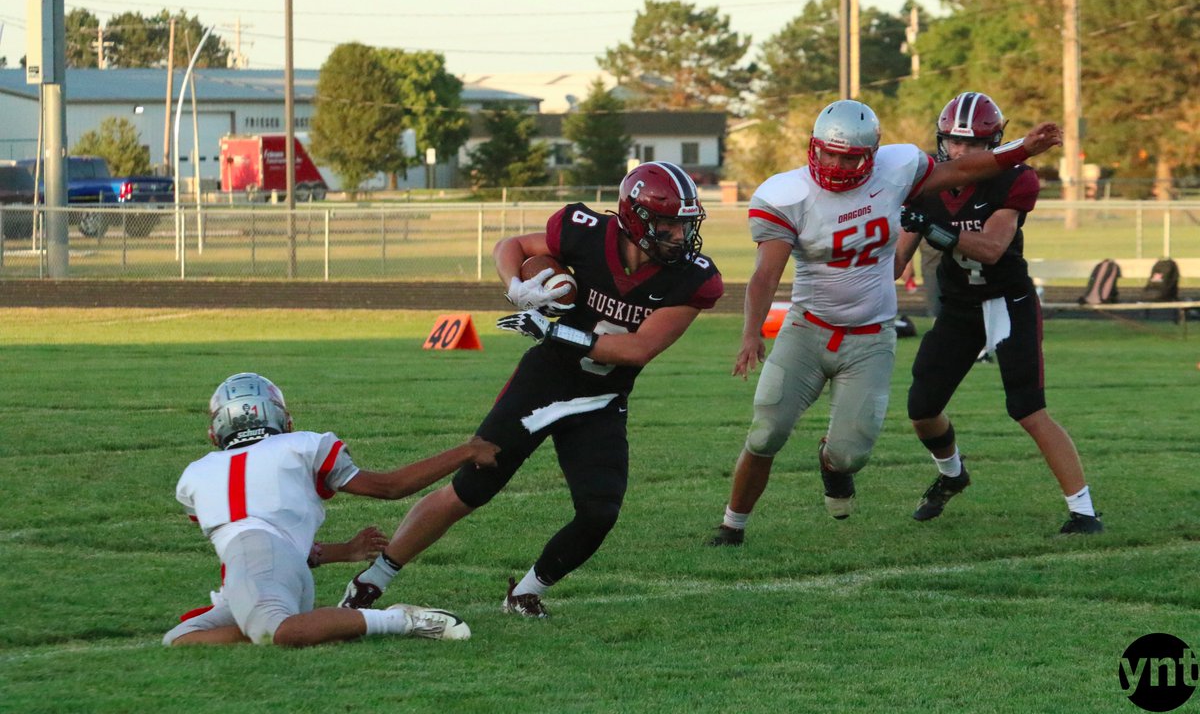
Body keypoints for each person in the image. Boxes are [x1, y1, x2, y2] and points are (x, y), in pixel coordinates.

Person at [340, 161, 724, 617]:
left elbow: (638, 349)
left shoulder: (693, 278)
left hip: (600, 400)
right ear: (635, 219)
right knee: (470, 490)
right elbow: (512, 245)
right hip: (543, 383)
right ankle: (372, 579)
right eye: (668, 226)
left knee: (599, 511)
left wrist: (555, 330)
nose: (680, 238)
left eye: (685, 226)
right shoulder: (584, 231)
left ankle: (525, 591)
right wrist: (517, 287)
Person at [707, 98, 1062, 546]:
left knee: (849, 454)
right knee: (766, 432)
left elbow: (965, 171)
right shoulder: (787, 194)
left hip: (871, 336)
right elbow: (765, 273)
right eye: (828, 152)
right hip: (807, 327)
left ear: (872, 155)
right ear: (813, 147)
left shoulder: (896, 170)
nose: (835, 164)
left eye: (848, 156)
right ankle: (732, 526)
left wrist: (1022, 150)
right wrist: (751, 333)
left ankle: (833, 468)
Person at [893, 91, 1102, 535]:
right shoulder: (924, 183)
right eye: (953, 141)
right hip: (959, 308)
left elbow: (990, 249)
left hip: (1008, 301)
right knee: (922, 407)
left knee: (1027, 408)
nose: (961, 152)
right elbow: (895, 264)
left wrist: (932, 228)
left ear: (995, 145)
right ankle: (952, 475)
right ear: (941, 138)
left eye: (973, 144)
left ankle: (1083, 511)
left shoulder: (1015, 178)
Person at [163, 372, 500, 647]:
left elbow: (259, 542)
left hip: (255, 571)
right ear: (283, 418)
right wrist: (345, 551)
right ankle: (325, 627)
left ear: (216, 430)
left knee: (274, 634)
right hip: (269, 574)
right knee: (180, 639)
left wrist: (466, 452)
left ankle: (404, 621)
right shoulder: (302, 445)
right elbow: (390, 487)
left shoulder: (194, 475)